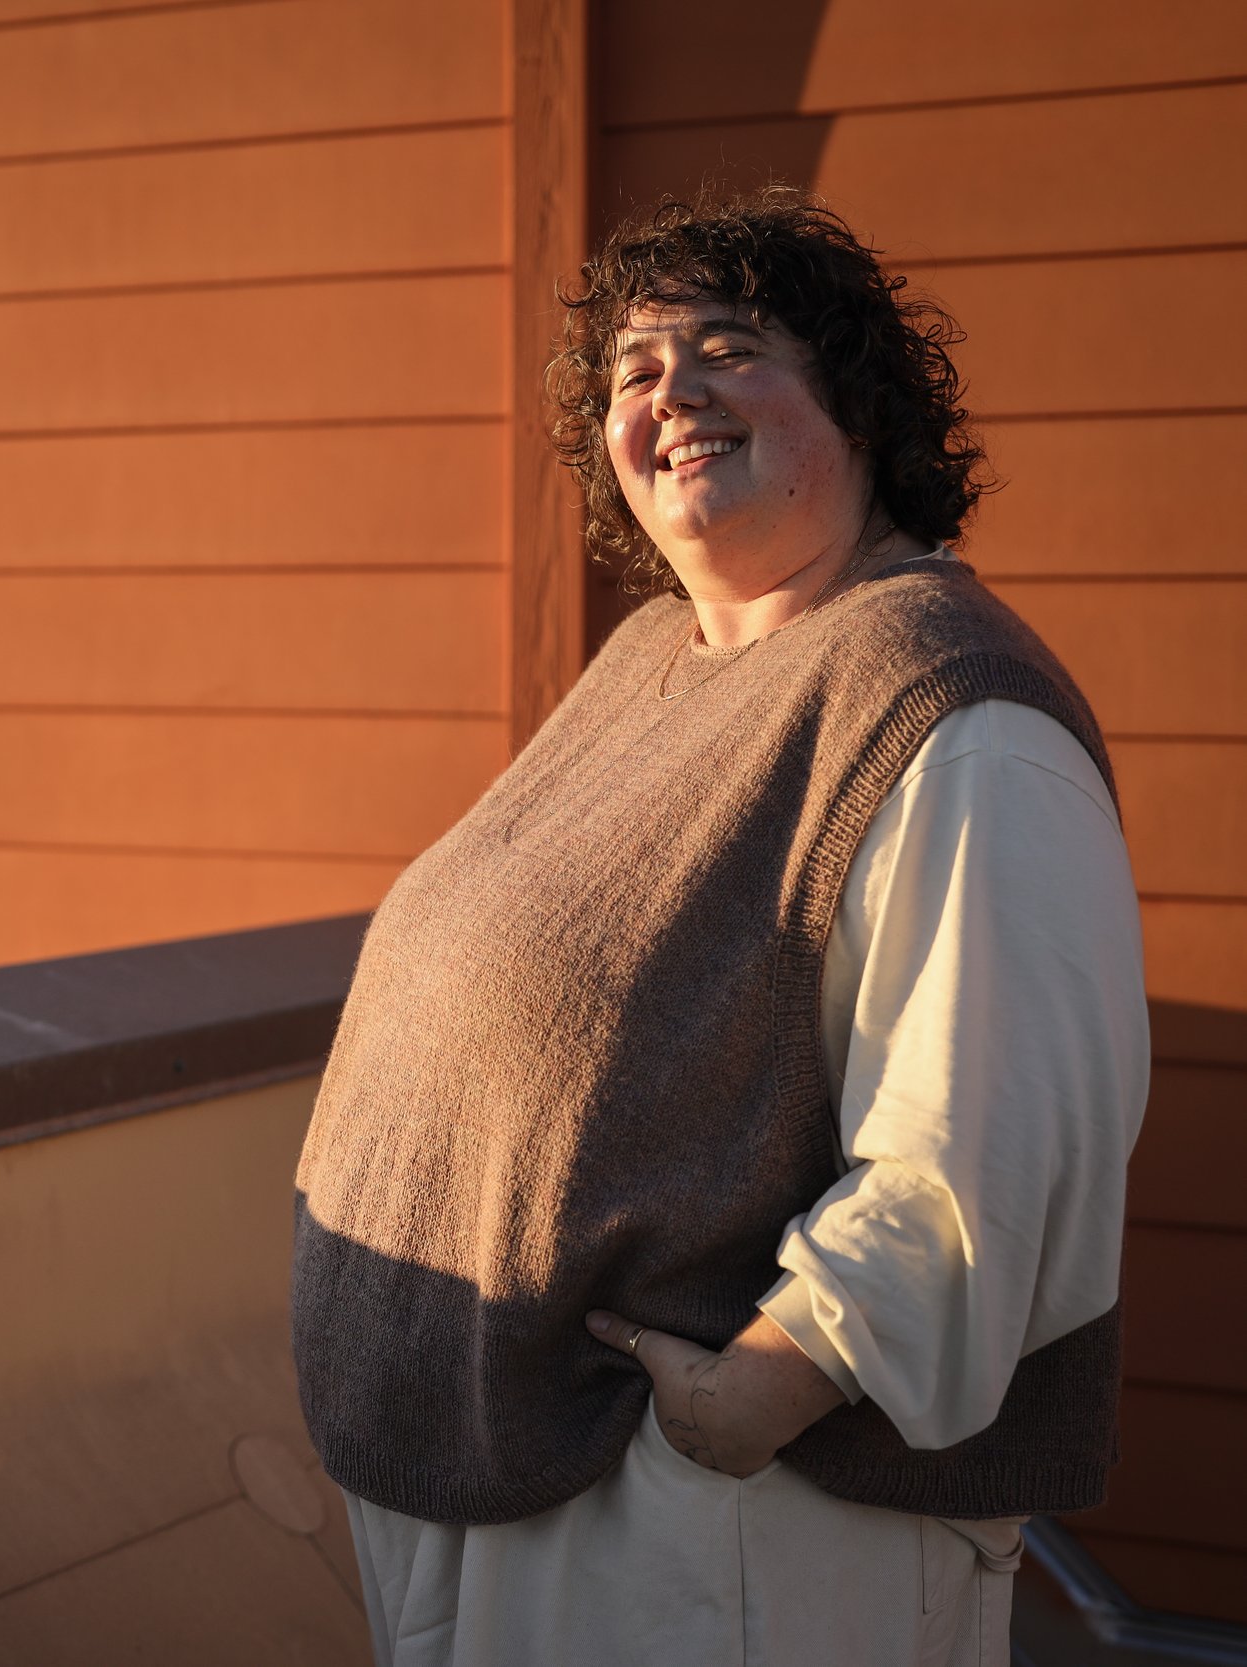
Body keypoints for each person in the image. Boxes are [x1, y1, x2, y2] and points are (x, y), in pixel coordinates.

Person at [289, 191, 1148, 1666]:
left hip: (716, 1522)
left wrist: (764, 1386)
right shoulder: (656, 662)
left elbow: (989, 1145)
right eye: (635, 372)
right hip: (518, 1481)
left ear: (858, 405)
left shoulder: (957, 711)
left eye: (729, 349)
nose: (671, 393)